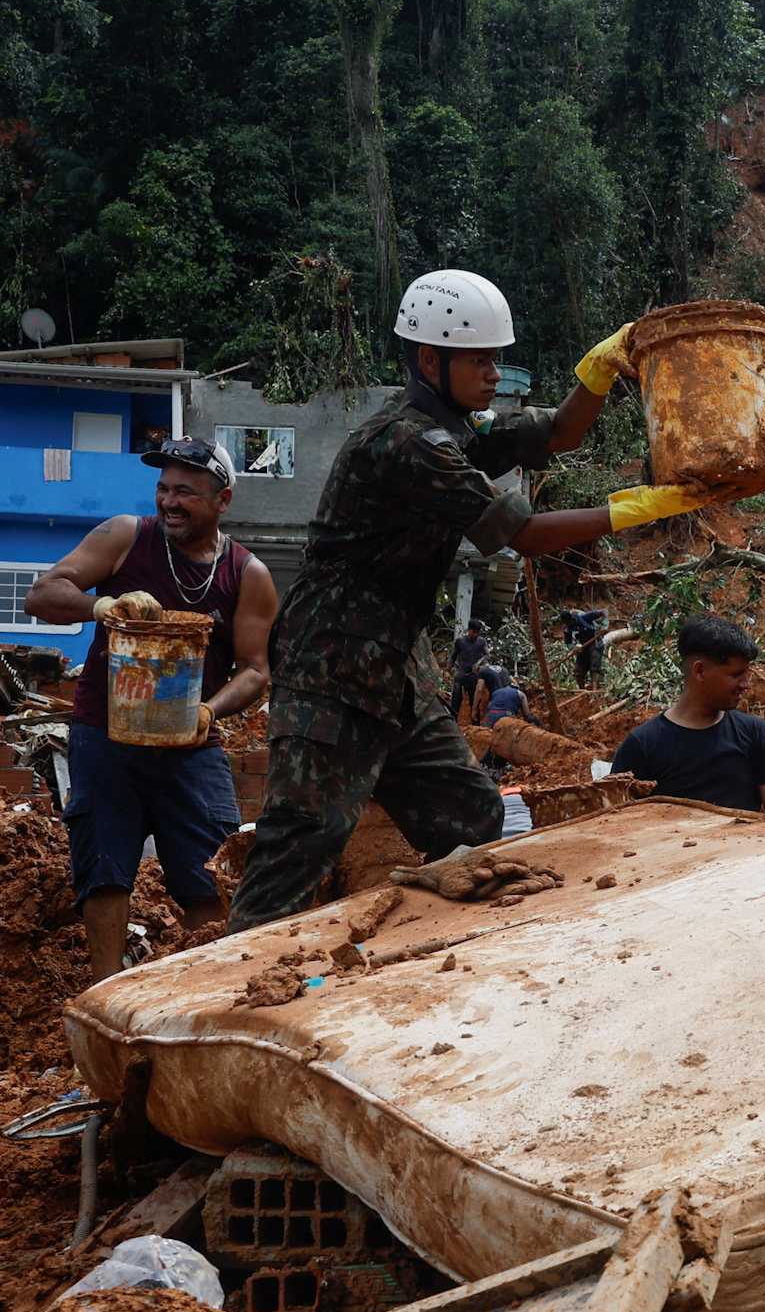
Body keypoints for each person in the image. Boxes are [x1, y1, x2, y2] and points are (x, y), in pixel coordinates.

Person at [229, 271, 706, 933]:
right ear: (430, 360)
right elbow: (524, 535)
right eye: (479, 360)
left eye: (495, 358)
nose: (493, 372)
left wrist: (599, 371)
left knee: (471, 816)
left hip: (392, 675)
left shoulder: (448, 434)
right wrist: (641, 507)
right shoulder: (404, 444)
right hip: (332, 675)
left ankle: (427, 941)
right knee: (299, 846)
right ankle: (235, 992)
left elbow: (560, 434)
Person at [23, 437, 278, 981]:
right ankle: (108, 991)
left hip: (191, 746)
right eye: (163, 489)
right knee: (105, 869)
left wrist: (208, 711)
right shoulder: (124, 537)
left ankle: (198, 992)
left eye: (186, 491)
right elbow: (42, 594)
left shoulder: (246, 573)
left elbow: (255, 670)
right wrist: (102, 605)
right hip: (105, 733)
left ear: (222, 501)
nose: (169, 501)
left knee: (208, 872)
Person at [610, 615, 765, 816]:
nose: (746, 684)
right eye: (736, 675)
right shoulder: (642, 747)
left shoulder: (757, 735)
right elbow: (619, 828)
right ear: (700, 671)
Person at [561, 607, 607, 689]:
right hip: (584, 646)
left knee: (594, 668)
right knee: (578, 670)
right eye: (565, 623)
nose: (567, 624)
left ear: (572, 618)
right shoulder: (567, 628)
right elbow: (568, 643)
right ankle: (582, 691)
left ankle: (595, 690)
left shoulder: (583, 617)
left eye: (568, 622)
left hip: (595, 643)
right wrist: (573, 648)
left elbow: (604, 611)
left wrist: (605, 623)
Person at [451, 622, 489, 719]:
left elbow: (487, 655)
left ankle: (475, 725)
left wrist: (478, 663)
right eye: (473, 632)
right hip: (461, 675)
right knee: (455, 702)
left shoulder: (481, 641)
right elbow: (453, 656)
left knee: (475, 702)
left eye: (477, 632)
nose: (475, 635)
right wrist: (447, 670)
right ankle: (453, 723)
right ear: (469, 630)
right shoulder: (460, 641)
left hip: (473, 676)